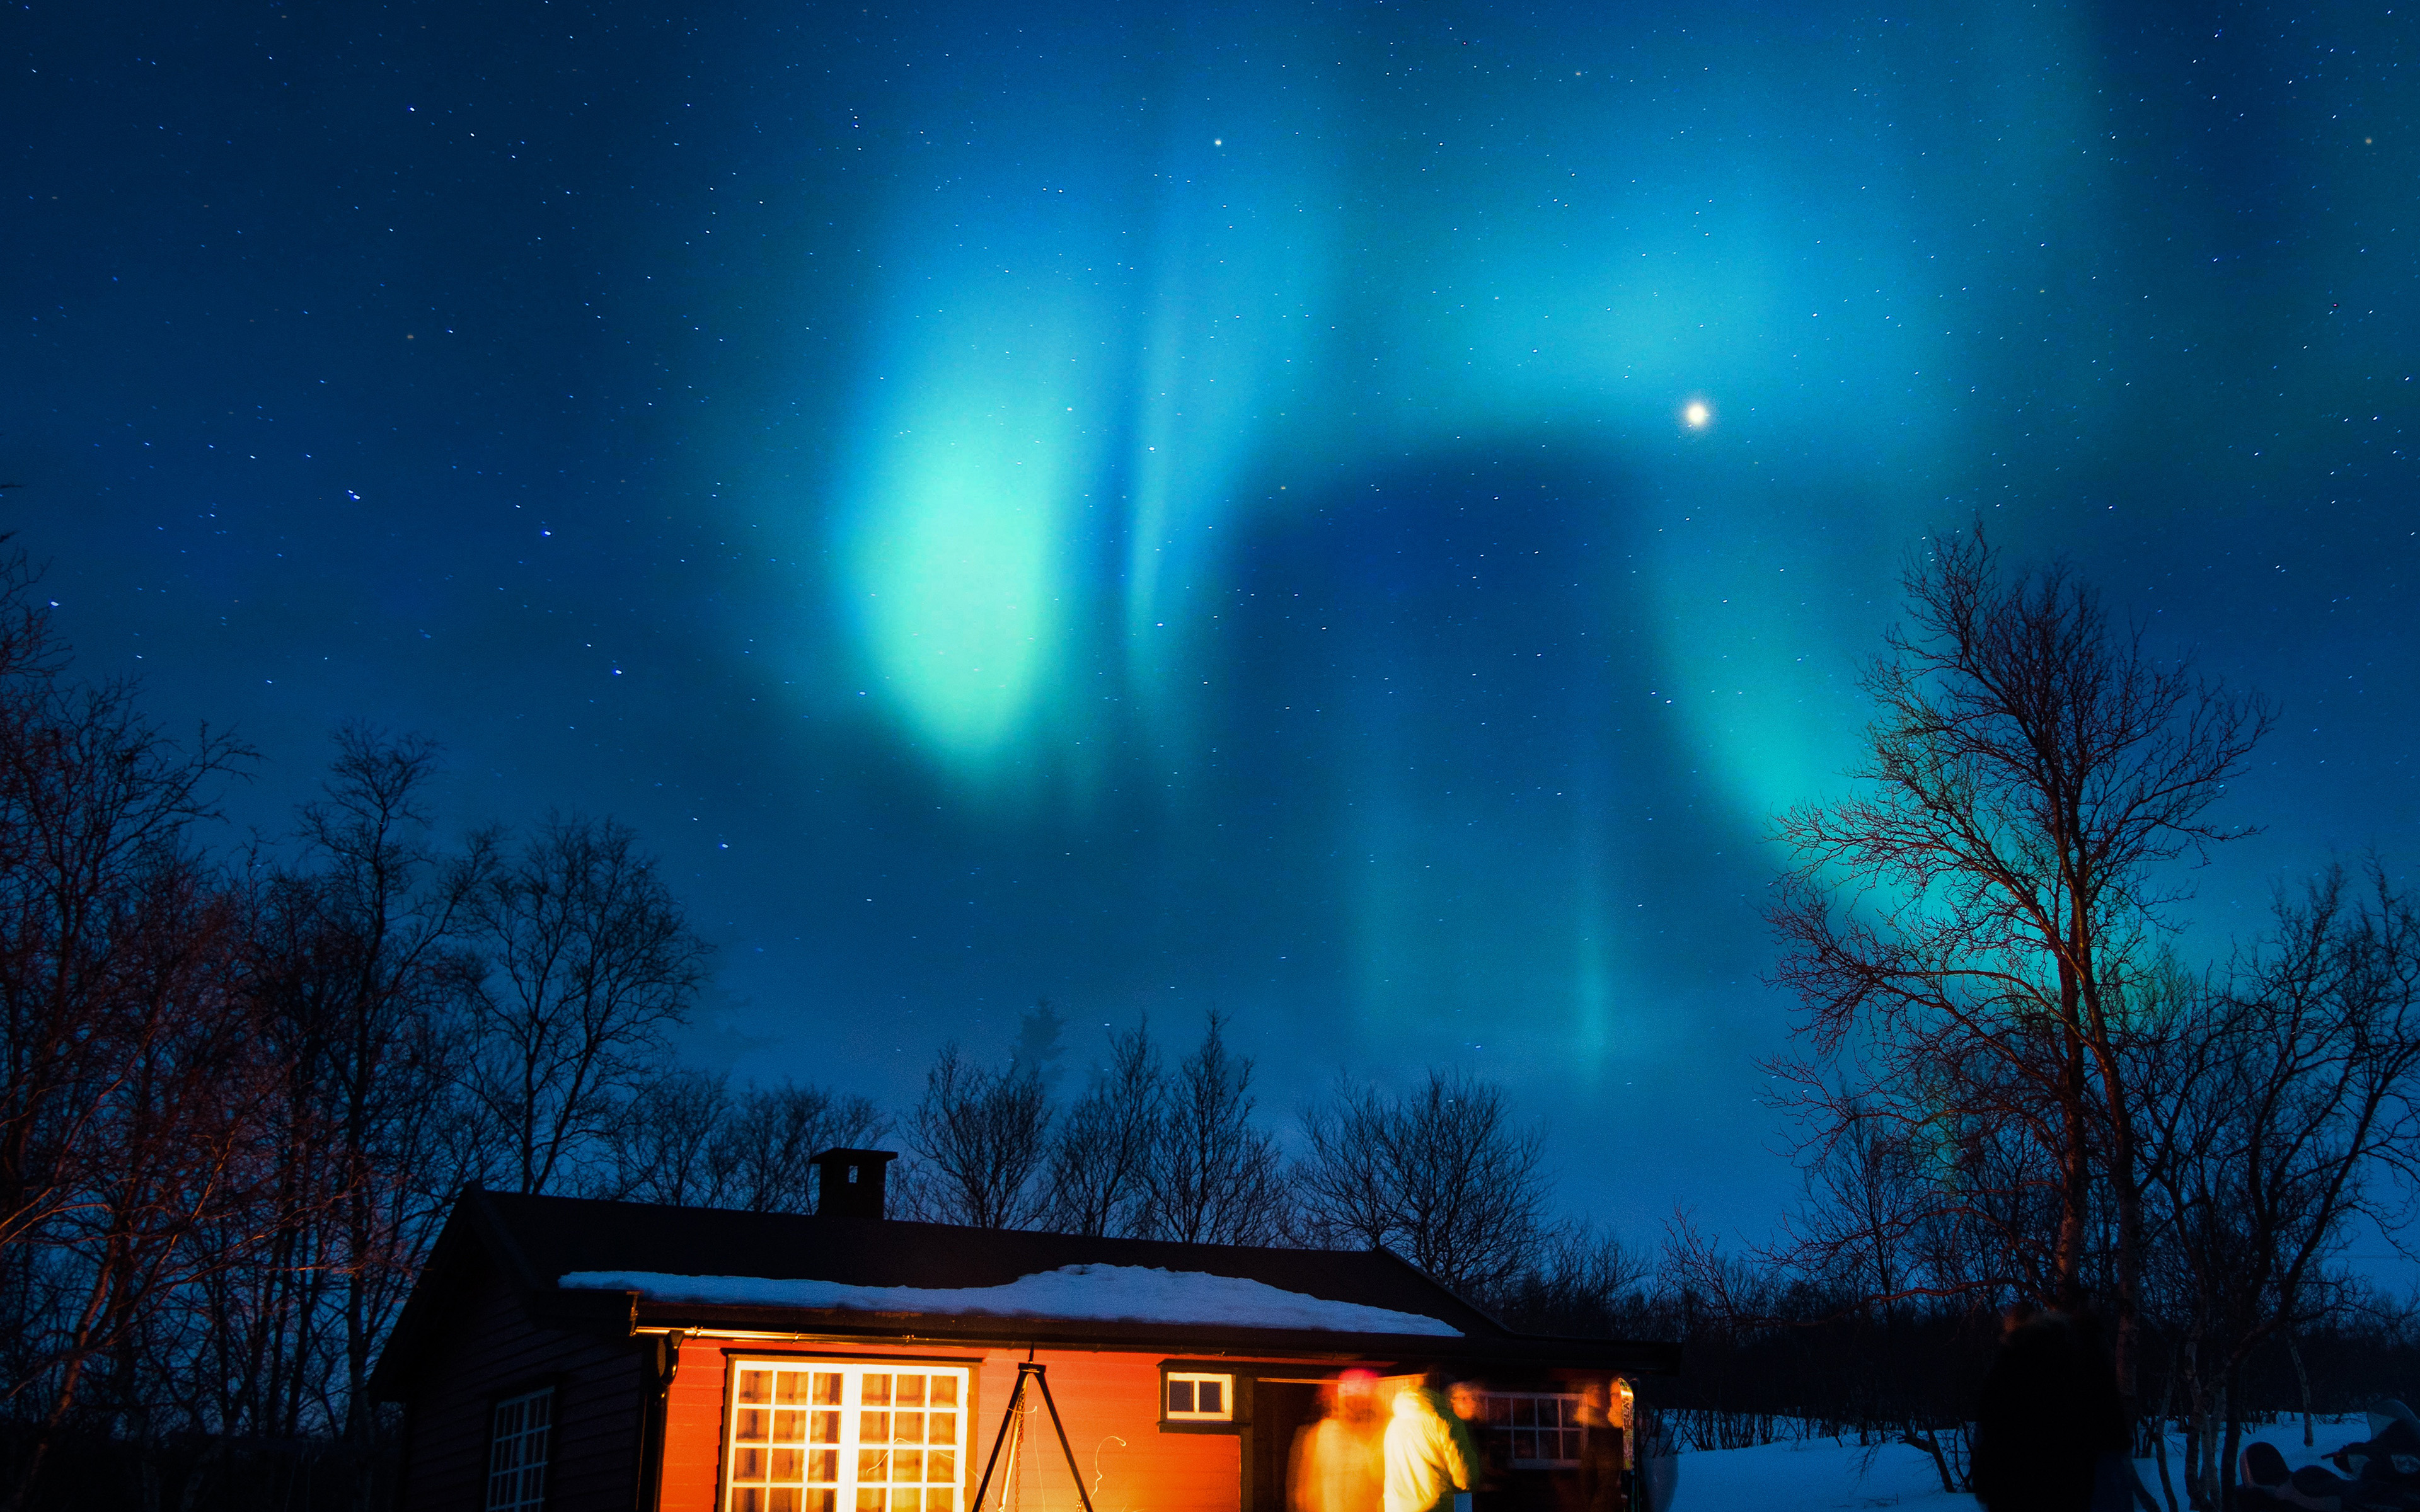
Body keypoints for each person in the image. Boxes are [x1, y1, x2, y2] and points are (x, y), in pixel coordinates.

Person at [1969, 1306, 2136, 1512]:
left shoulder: (2006, 1371)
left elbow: (1991, 1435)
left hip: (2016, 1488)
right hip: (2068, 1486)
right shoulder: (2069, 1363)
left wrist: (1986, 1483)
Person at [1291, 1370, 1385, 1512]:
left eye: (1363, 1400)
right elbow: (1308, 1487)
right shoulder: (1325, 1433)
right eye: (1353, 1400)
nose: (1358, 1405)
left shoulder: (1377, 1434)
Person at [1383, 1370, 1473, 1512]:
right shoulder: (1446, 1421)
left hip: (1396, 1506)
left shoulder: (1394, 1424)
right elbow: (1465, 1477)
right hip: (1435, 1506)